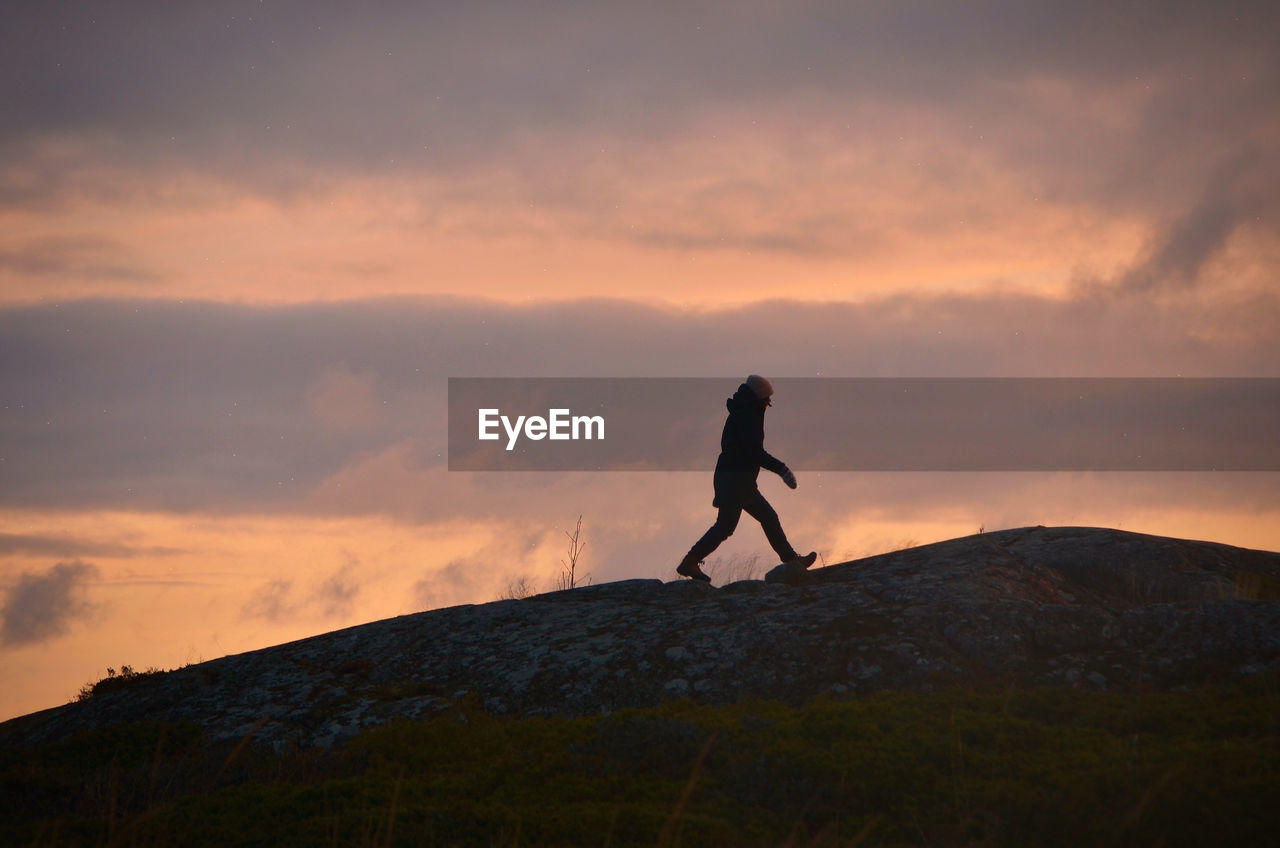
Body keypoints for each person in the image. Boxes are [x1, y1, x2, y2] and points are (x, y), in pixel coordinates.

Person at [677, 375, 816, 583]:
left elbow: (752, 452)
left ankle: (791, 561)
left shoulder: (748, 413)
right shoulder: (746, 416)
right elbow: (754, 452)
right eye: (767, 398)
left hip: (740, 481)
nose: (770, 403)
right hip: (734, 481)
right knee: (725, 527)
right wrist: (781, 469)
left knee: (767, 517)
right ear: (758, 397)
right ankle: (690, 561)